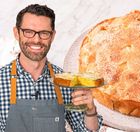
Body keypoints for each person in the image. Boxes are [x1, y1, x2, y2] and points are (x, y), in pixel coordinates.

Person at [0, 4, 102, 132]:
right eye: (29, 32)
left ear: (52, 36)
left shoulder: (66, 82)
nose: (36, 40)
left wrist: (90, 110)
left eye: (44, 33)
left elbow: (86, 130)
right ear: (17, 33)